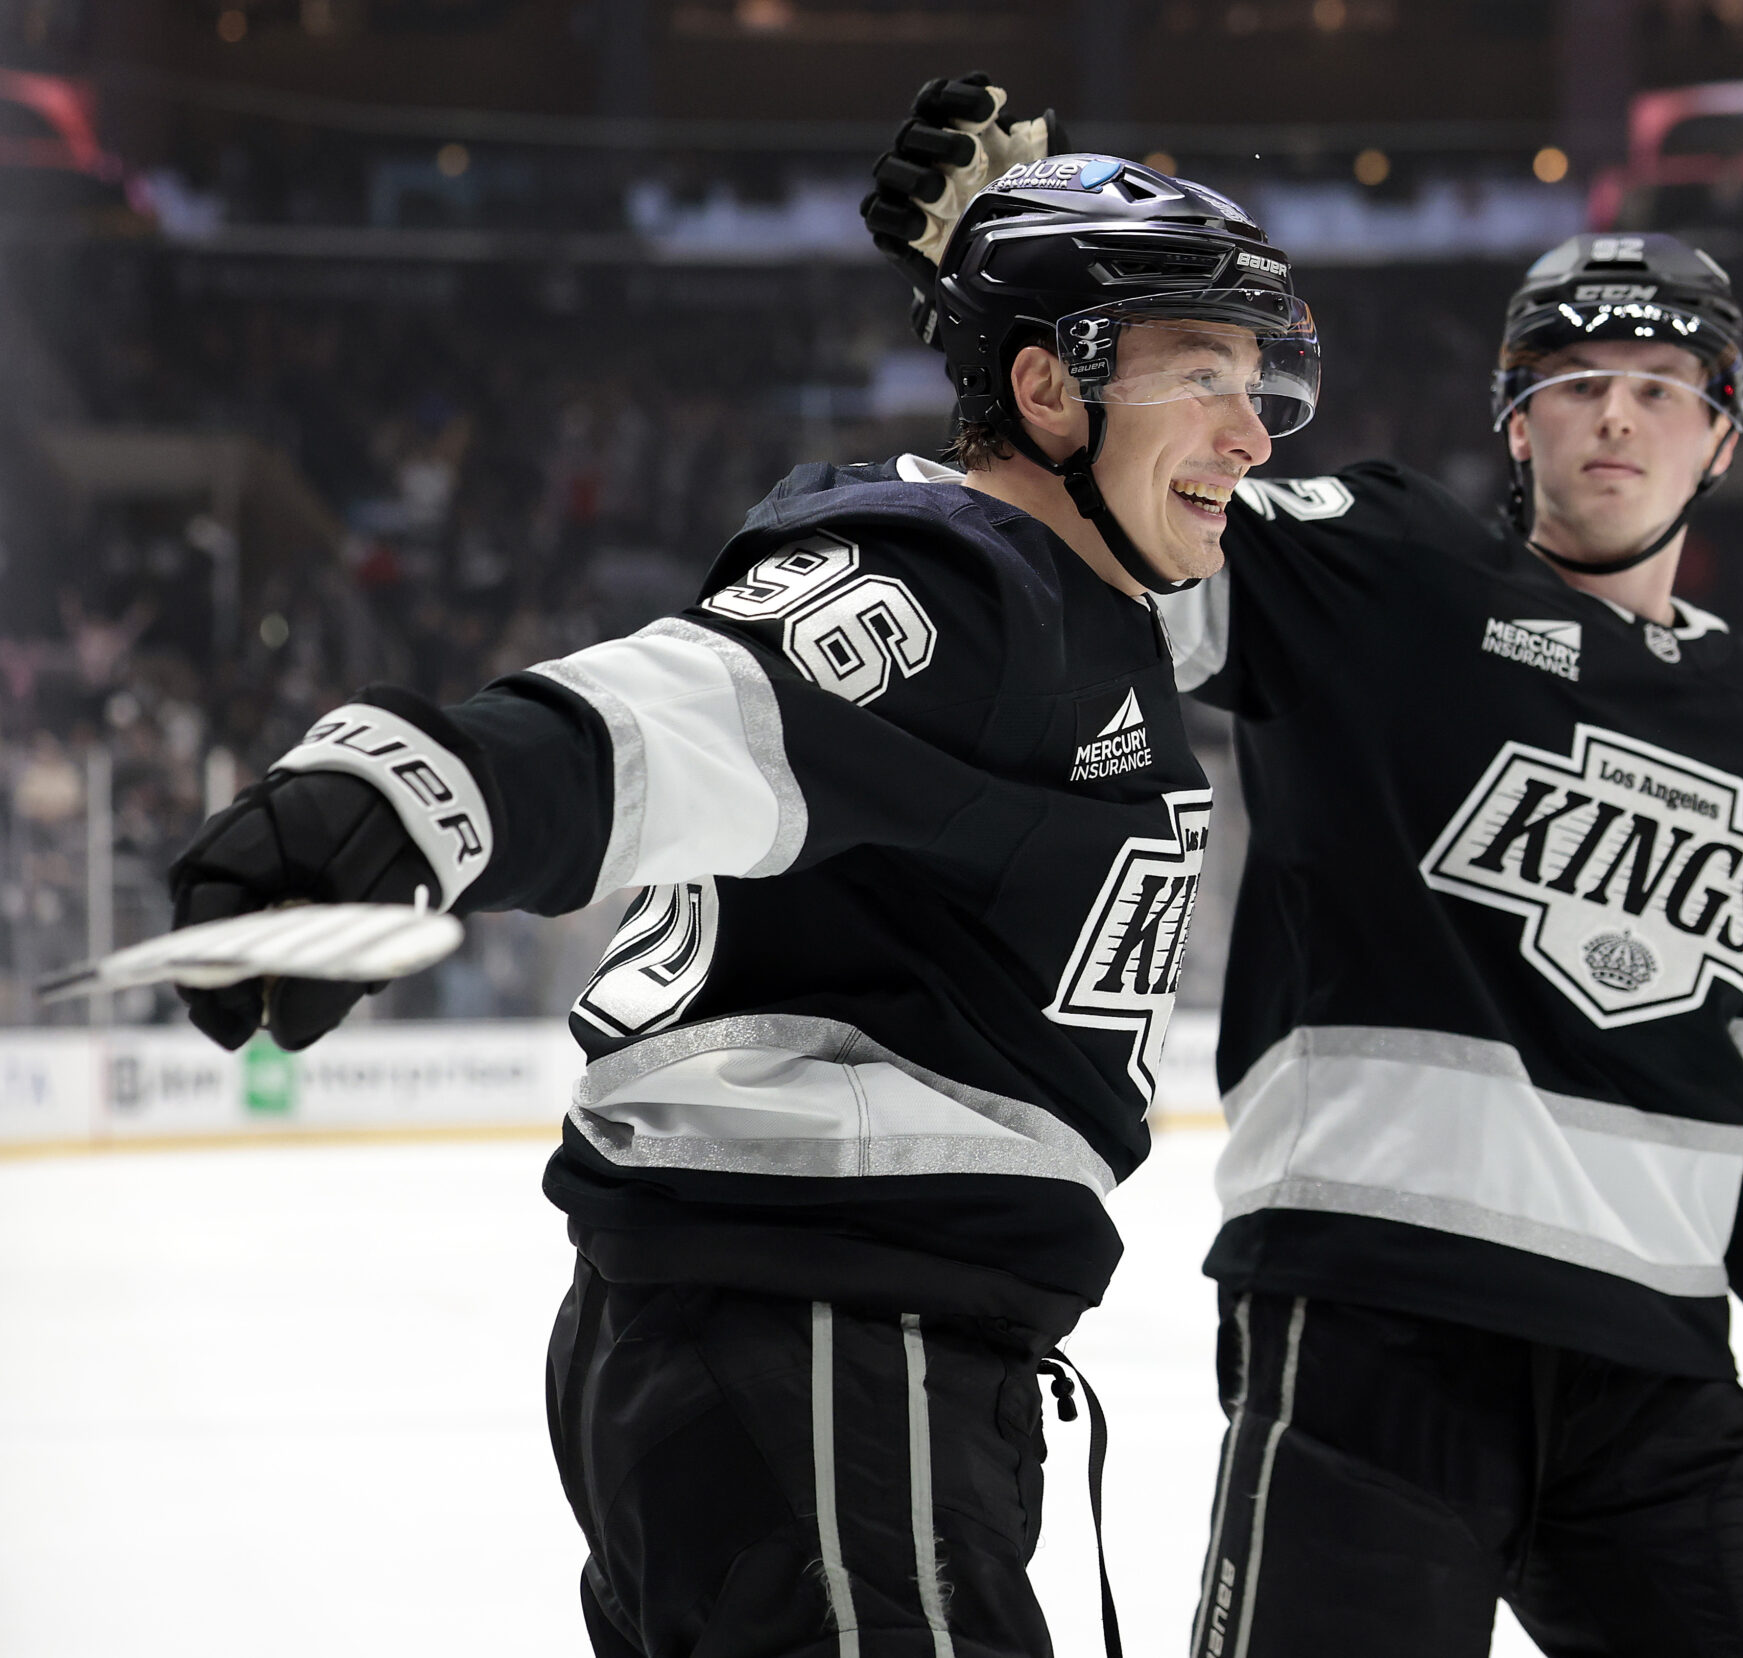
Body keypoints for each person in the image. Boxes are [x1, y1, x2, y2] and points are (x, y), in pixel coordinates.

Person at [868, 94, 1743, 1658]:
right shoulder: (1384, 567)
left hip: (1657, 1381)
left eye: (1661, 387)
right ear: (1514, 418)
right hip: (1366, 1328)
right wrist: (1039, 322)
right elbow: (1114, 540)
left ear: (1722, 434)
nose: (1616, 417)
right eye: (1573, 381)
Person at [167, 152, 1319, 1658]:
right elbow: (700, 703)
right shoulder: (965, 584)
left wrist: (1008, 246)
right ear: (1052, 393)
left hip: (806, 1355)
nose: (1255, 431)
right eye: (1204, 374)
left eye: (1259, 377)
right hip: (826, 1357)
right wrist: (422, 791)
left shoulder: (1082, 604)